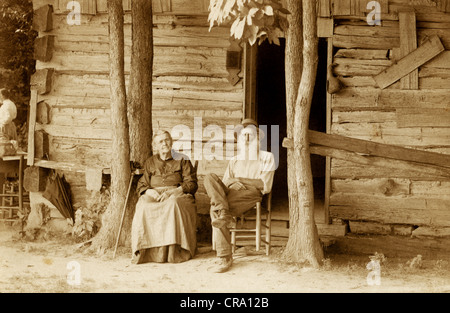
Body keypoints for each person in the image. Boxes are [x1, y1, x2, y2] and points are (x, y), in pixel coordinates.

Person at [204, 118, 276, 273]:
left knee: (215, 208)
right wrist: (231, 183)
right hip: (231, 195)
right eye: (244, 135)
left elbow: (265, 185)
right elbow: (223, 184)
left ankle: (224, 257)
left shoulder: (267, 157)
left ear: (258, 137)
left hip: (251, 196)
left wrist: (238, 179)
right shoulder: (234, 160)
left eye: (251, 135)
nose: (247, 138)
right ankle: (223, 212)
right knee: (209, 178)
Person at [131, 130, 198, 264]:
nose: (164, 143)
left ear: (171, 142)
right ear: (155, 145)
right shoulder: (150, 162)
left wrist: (172, 192)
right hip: (154, 193)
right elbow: (142, 184)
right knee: (143, 205)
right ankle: (145, 252)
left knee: (172, 204)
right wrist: (150, 192)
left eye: (166, 140)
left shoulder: (182, 159)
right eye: (160, 141)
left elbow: (191, 184)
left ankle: (175, 252)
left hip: (177, 194)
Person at [0, 89, 18, 156]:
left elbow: (8, 117)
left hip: (5, 126)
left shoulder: (6, 105)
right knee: (7, 143)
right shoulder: (11, 103)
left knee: (5, 142)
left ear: (2, 95)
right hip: (10, 125)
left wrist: (1, 123)